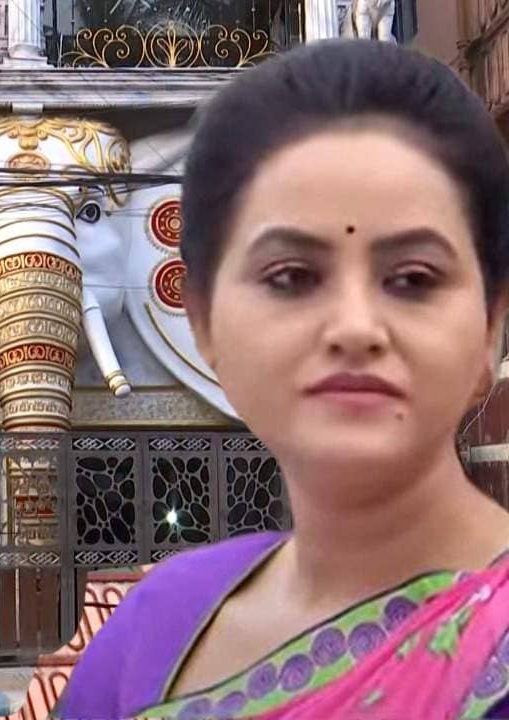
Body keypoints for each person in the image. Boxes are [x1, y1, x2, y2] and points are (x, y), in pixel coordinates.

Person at [53, 39, 509, 719]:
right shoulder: (155, 626)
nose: (355, 327)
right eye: (292, 277)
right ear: (204, 322)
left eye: (413, 279)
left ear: (492, 325)